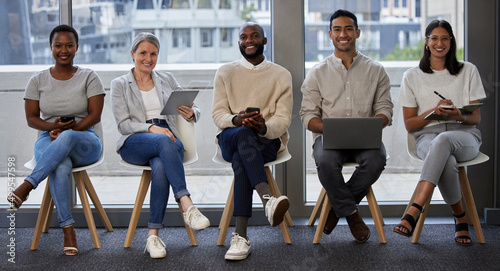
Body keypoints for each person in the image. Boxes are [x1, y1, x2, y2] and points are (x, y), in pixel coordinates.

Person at [7, 25, 105, 256]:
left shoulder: (89, 77)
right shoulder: (37, 80)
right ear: (51, 48)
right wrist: (53, 128)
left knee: (68, 137)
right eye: (58, 45)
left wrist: (65, 132)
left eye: (69, 45)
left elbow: (95, 116)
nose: (64, 50)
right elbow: (32, 118)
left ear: (77, 48)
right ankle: (68, 230)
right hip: (47, 139)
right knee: (60, 164)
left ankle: (27, 185)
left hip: (85, 139)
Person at [110, 32, 210, 259]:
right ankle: (187, 204)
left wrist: (192, 113)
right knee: (163, 141)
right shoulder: (119, 84)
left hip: (168, 141)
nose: (148, 58)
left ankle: (152, 236)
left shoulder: (166, 79)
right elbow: (123, 125)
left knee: (161, 165)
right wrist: (151, 129)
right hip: (135, 141)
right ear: (132, 54)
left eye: (153, 53)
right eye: (143, 53)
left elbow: (196, 107)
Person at [300, 9, 393, 243]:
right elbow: (307, 116)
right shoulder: (317, 73)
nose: (344, 34)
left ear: (357, 33)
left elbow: (385, 111)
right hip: (329, 138)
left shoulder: (376, 70)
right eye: (338, 30)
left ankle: (335, 208)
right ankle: (351, 214)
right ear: (330, 34)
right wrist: (331, 129)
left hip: (365, 140)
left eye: (349, 29)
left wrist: (371, 125)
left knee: (376, 160)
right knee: (325, 161)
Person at [394, 20, 486, 246]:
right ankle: (460, 217)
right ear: (426, 42)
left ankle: (415, 208)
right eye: (434, 38)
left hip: (464, 135)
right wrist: (433, 113)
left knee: (444, 141)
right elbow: (410, 125)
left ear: (451, 42)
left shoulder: (468, 70)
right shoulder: (412, 76)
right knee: (445, 156)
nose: (439, 43)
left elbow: (476, 118)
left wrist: (458, 116)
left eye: (445, 38)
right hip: (427, 137)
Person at [212, 22, 293, 261]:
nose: (249, 40)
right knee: (243, 134)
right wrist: (237, 119)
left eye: (254, 36)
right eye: (243, 37)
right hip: (230, 135)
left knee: (242, 157)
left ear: (264, 41)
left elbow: (283, 118)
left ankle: (240, 237)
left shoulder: (281, 74)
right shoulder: (225, 72)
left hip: (266, 140)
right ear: (239, 42)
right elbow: (218, 114)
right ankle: (267, 199)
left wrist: (263, 126)